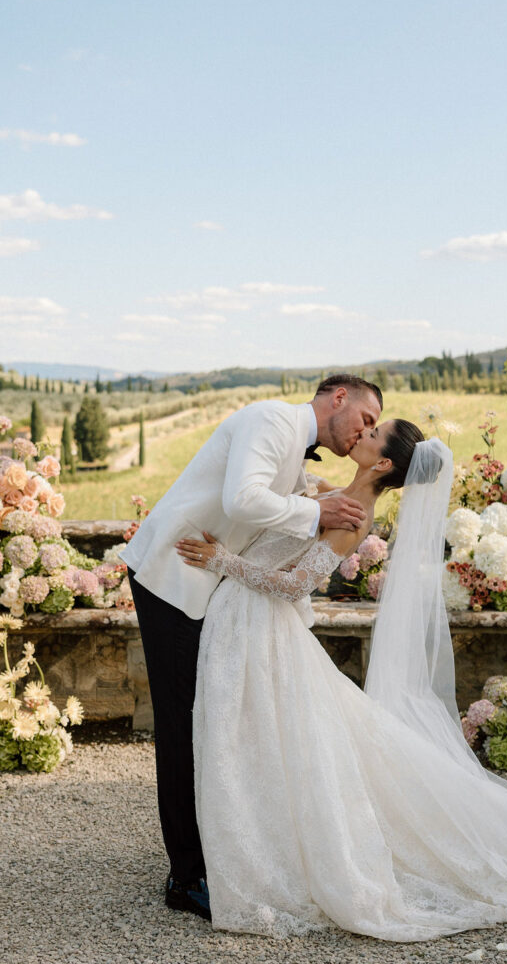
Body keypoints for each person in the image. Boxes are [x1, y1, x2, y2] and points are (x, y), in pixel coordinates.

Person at [178, 430, 507, 964]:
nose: (361, 434)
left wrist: (220, 559)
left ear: (384, 464)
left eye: (372, 433)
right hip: (243, 624)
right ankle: (253, 847)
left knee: (270, 741)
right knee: (260, 742)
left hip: (262, 628)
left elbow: (293, 585)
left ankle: (272, 859)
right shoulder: (335, 492)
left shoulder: (354, 519)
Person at [120, 375, 382, 920]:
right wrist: (318, 512)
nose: (365, 431)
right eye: (366, 418)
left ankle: (211, 852)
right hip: (173, 575)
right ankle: (186, 876)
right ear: (339, 399)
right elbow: (242, 499)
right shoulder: (271, 420)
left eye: (375, 430)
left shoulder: (291, 436)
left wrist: (315, 495)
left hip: (207, 586)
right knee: (182, 725)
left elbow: (267, 494)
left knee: (209, 723)